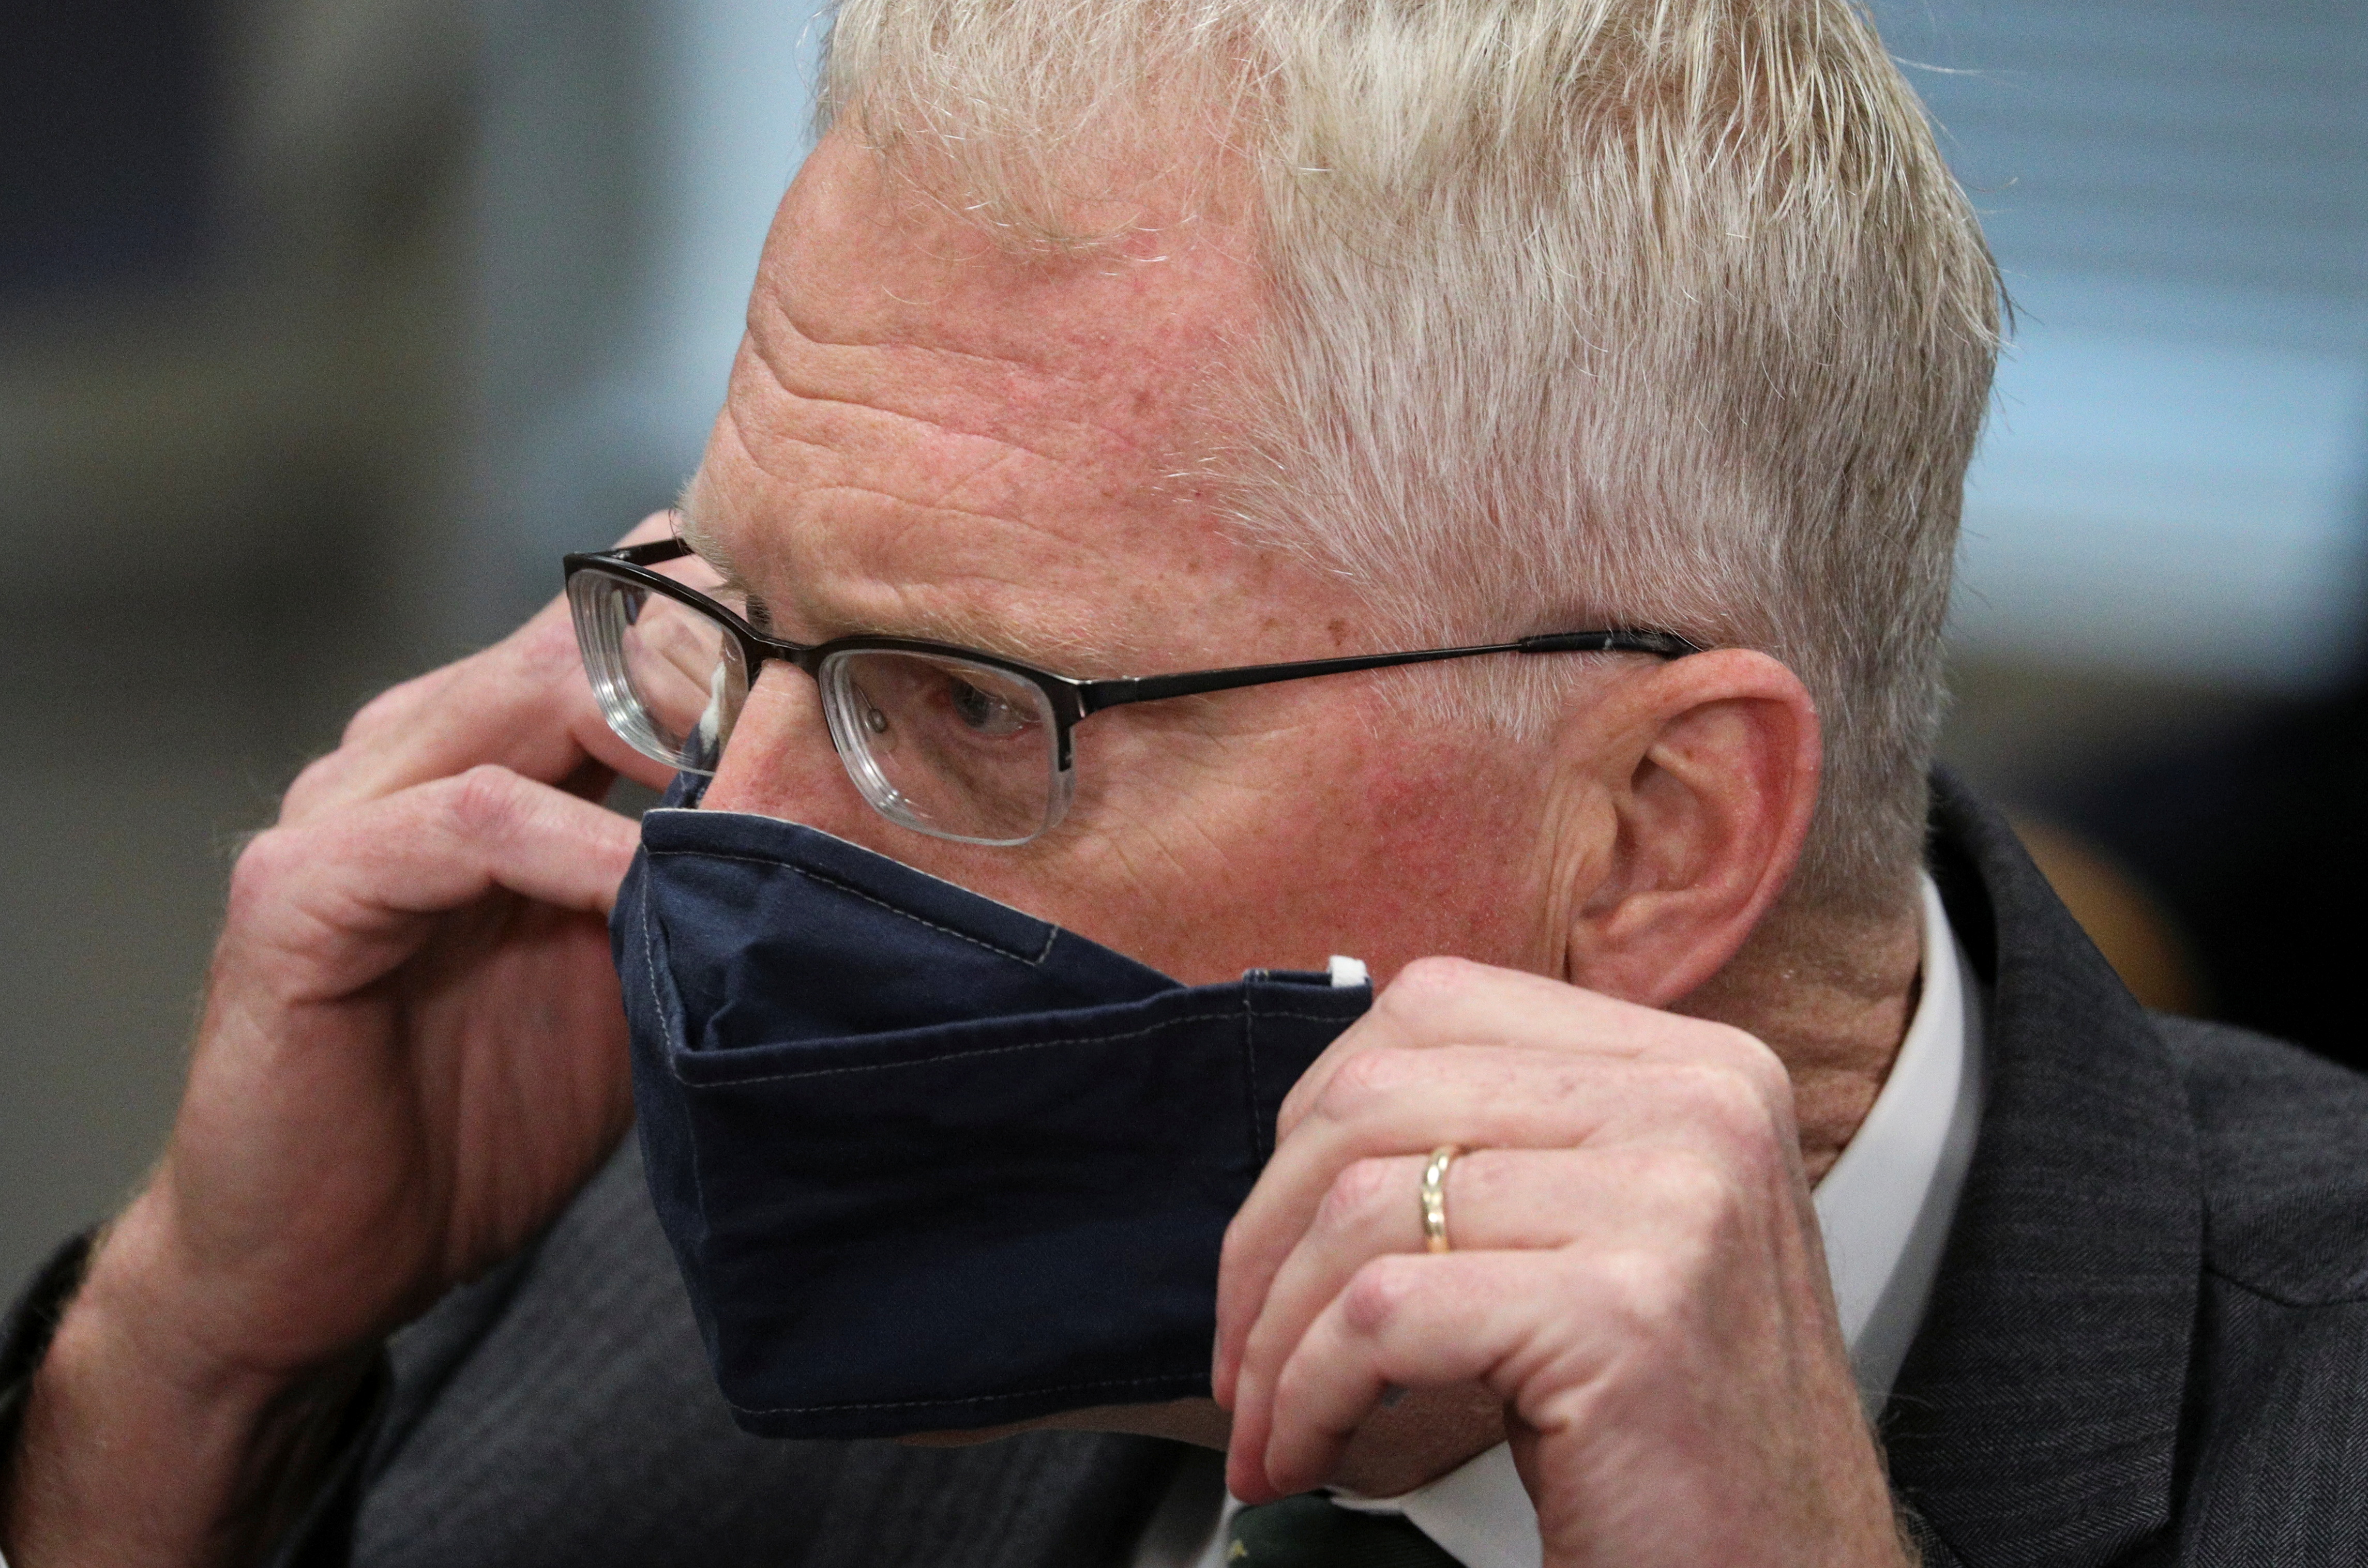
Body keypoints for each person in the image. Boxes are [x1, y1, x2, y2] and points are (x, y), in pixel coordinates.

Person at [5, 0, 2366, 1563]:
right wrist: (195, 1360)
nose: (714, 857)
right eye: (724, 626)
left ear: (1652, 833)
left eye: (965, 708)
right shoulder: (650, 1257)